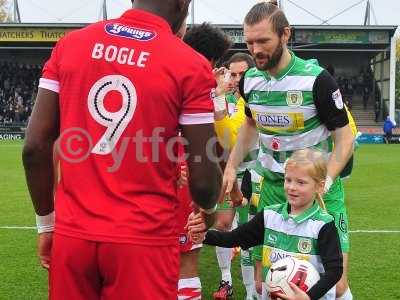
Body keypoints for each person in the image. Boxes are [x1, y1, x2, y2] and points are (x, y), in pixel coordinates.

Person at [22, 1, 222, 299]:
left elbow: (34, 147)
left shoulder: (71, 45)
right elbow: (204, 178)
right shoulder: (189, 63)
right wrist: (209, 210)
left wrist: (46, 224)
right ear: (183, 3)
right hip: (144, 240)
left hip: (73, 237)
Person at [221, 3, 354, 299]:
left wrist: (326, 181)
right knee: (273, 283)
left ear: (285, 35)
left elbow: (345, 140)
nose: (255, 50)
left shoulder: (317, 80)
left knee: (336, 283)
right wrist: (231, 166)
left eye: (263, 41)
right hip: (273, 191)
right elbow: (250, 126)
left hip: (320, 192)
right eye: (250, 42)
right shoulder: (251, 81)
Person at [187, 149, 343, 300]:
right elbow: (234, 238)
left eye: (301, 182)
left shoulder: (323, 224)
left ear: (319, 187)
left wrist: (309, 296)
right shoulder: (270, 215)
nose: (292, 187)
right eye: (288, 180)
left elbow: (335, 270)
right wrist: (204, 235)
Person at [177, 22, 232, 300]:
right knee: (187, 263)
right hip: (191, 178)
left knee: (151, 264)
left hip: (159, 177)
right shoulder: (203, 82)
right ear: (210, 58)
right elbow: (220, 142)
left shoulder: (165, 71)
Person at [212, 52, 259, 300]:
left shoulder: (253, 102)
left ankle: (252, 290)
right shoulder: (224, 97)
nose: (236, 79)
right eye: (232, 74)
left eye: (242, 74)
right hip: (227, 172)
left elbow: (229, 137)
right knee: (222, 225)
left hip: (255, 175)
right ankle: (226, 280)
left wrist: (218, 100)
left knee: (251, 234)